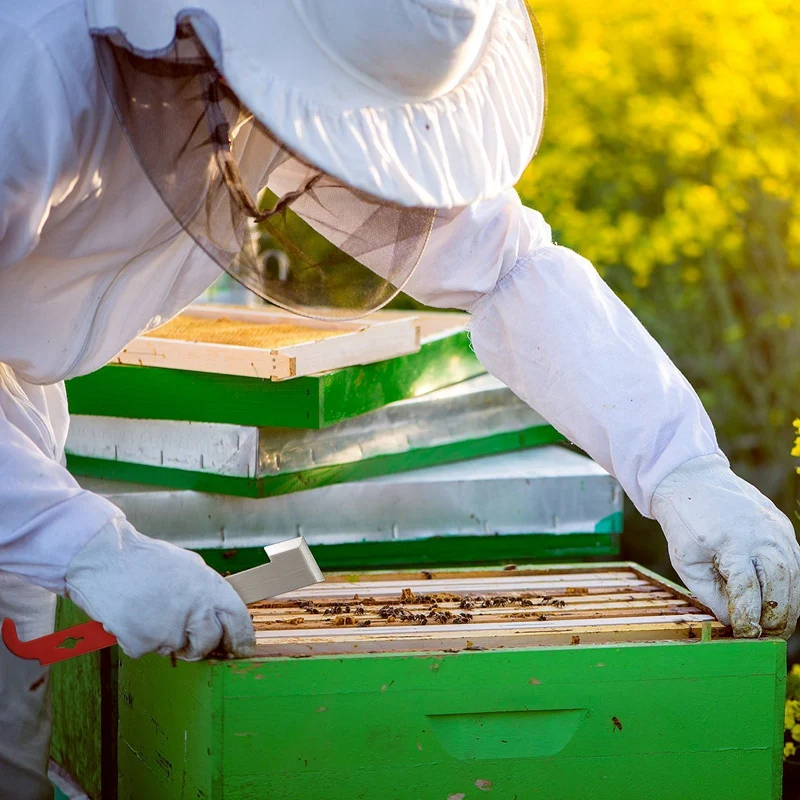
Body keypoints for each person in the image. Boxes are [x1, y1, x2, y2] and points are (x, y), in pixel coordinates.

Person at [1, 1, 798, 796]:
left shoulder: (309, 55)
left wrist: (682, 465)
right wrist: (85, 545)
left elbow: (504, 266)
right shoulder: (28, 68)